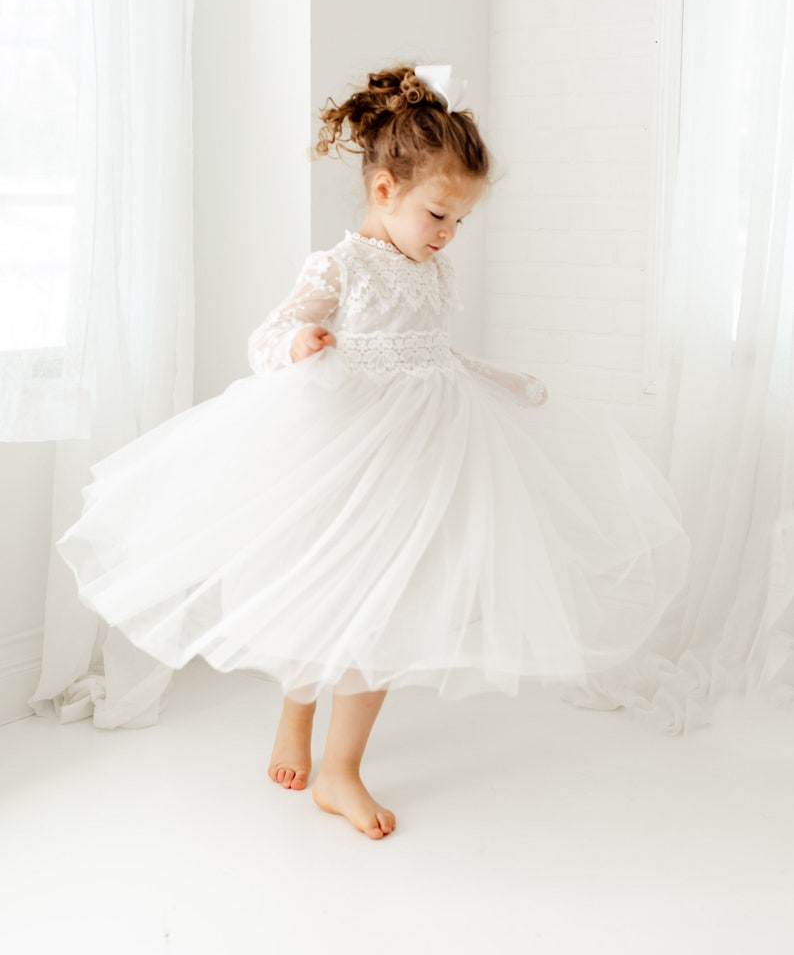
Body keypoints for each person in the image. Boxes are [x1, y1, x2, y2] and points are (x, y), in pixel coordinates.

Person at [57, 63, 690, 841]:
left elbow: (432, 355)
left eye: (458, 221)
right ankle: (295, 724)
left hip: (419, 463)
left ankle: (339, 769)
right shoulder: (341, 265)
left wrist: (501, 381)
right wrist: (298, 341)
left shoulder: (435, 269)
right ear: (384, 189)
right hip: (343, 454)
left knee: (385, 610)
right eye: (437, 214)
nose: (447, 234)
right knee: (324, 593)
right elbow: (262, 339)